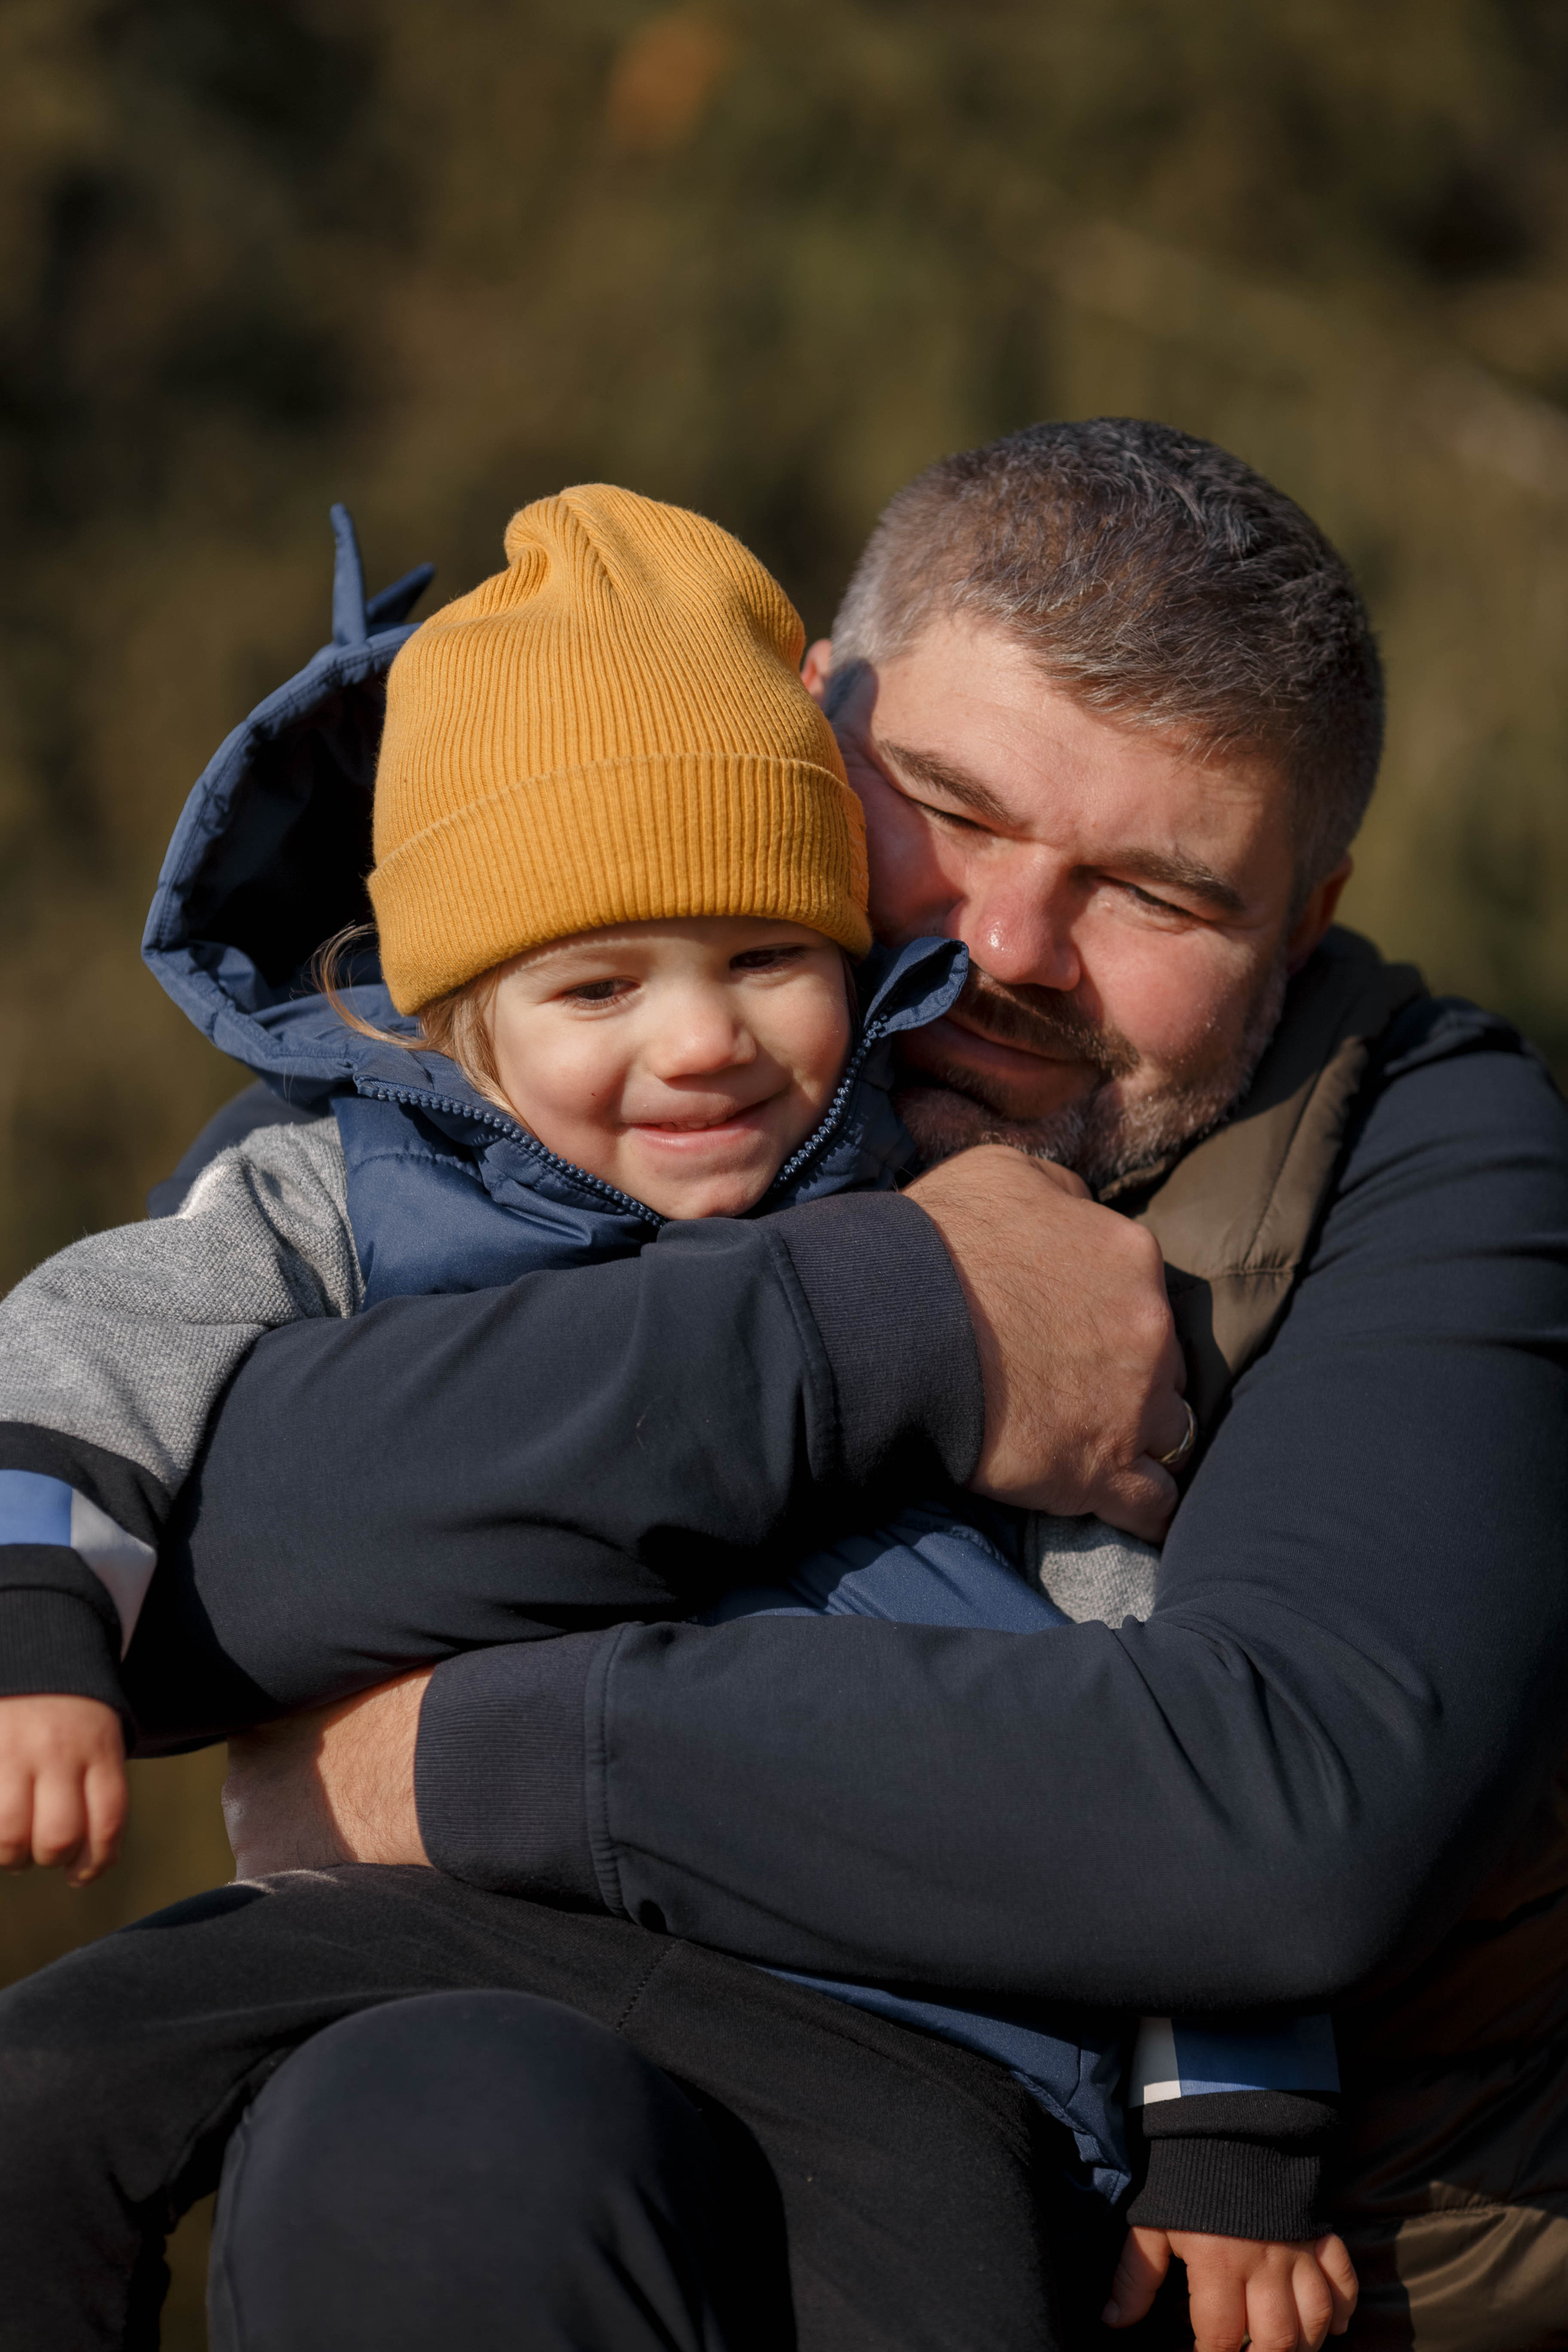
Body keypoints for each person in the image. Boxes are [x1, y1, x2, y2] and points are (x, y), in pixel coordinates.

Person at [9, 418, 1568, 2348]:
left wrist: (466, 1753)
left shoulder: (1432, 1153)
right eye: (951, 805)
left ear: (1303, 923)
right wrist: (900, 1317)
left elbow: (1272, 1819)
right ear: (812, 719)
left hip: (1214, 2268)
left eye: (1158, 895)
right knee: (410, 2131)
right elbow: (215, 1571)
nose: (1008, 947)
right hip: (534, 2059)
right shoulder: (503, 1038)